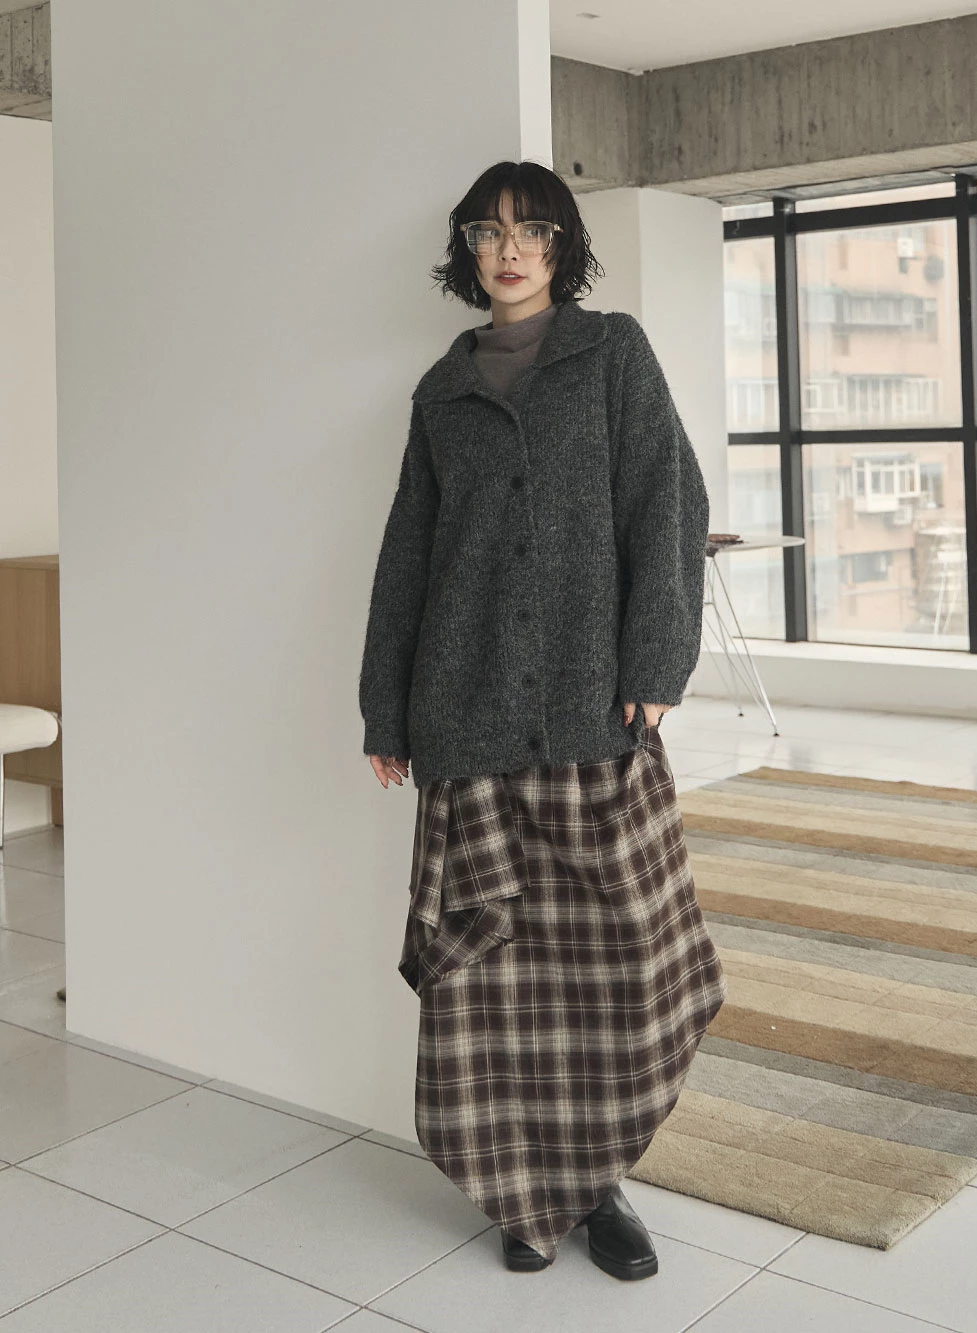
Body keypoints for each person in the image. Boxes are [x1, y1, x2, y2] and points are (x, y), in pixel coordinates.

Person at [358, 159, 727, 1280]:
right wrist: (385, 708)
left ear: (563, 247)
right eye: (487, 232)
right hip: (465, 713)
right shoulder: (440, 391)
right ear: (467, 253)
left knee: (619, 961)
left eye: (530, 232)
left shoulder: (612, 355)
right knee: (493, 978)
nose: (508, 250)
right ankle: (526, 1199)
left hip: (588, 707)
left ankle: (596, 1181)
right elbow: (409, 556)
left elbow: (669, 501)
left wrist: (657, 657)